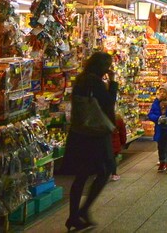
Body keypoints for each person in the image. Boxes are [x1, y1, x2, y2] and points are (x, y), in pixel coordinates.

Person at [62, 52, 118, 231]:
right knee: (106, 168)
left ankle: (74, 215)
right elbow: (108, 103)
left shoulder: (80, 80)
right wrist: (113, 82)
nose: (108, 69)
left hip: (80, 132)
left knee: (82, 174)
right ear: (101, 66)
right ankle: (83, 210)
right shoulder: (96, 82)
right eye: (107, 65)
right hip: (96, 133)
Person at [110, 112, 127, 181]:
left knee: (102, 159)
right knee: (113, 159)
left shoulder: (99, 116)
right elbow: (122, 132)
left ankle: (100, 173)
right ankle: (114, 174)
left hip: (103, 142)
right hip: (114, 143)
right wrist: (123, 142)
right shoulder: (117, 117)